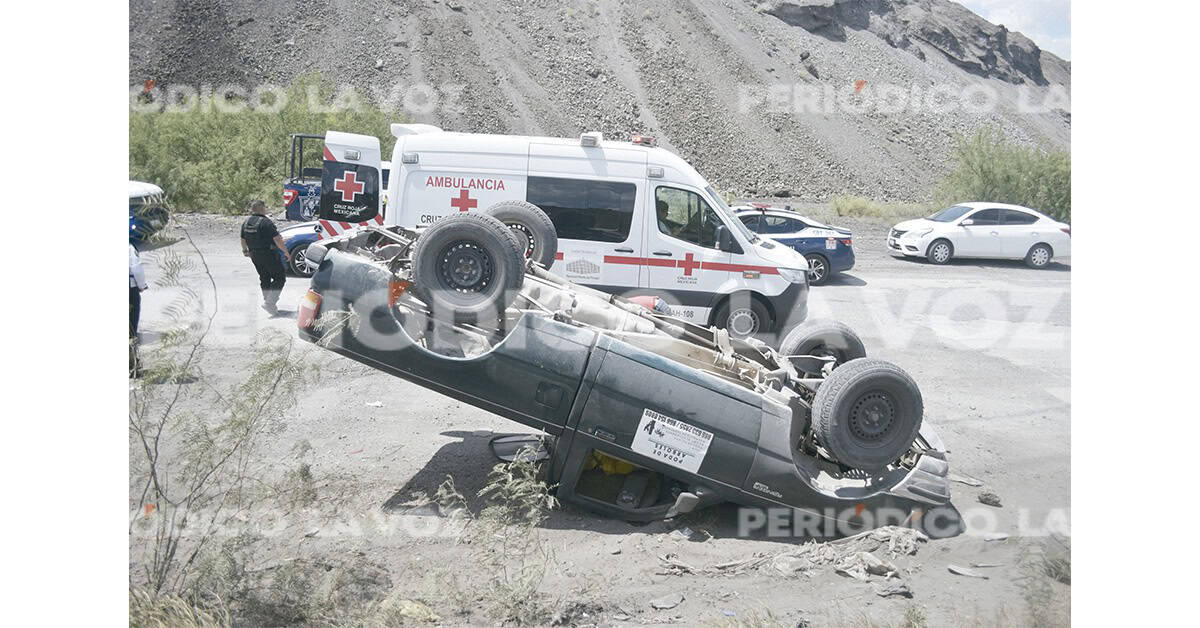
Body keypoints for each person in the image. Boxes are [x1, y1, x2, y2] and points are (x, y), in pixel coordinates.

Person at [240, 200, 290, 315]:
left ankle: (268, 302)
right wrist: (286, 252)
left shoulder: (246, 222)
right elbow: (277, 239)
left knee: (264, 277)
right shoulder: (266, 222)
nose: (266, 209)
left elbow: (243, 239)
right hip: (269, 254)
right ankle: (269, 303)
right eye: (265, 207)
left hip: (254, 255)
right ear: (262, 208)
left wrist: (245, 250)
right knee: (279, 278)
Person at [130, 243, 148, 376]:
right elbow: (136, 268)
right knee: (130, 328)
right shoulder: (129, 248)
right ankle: (130, 365)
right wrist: (142, 285)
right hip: (129, 289)